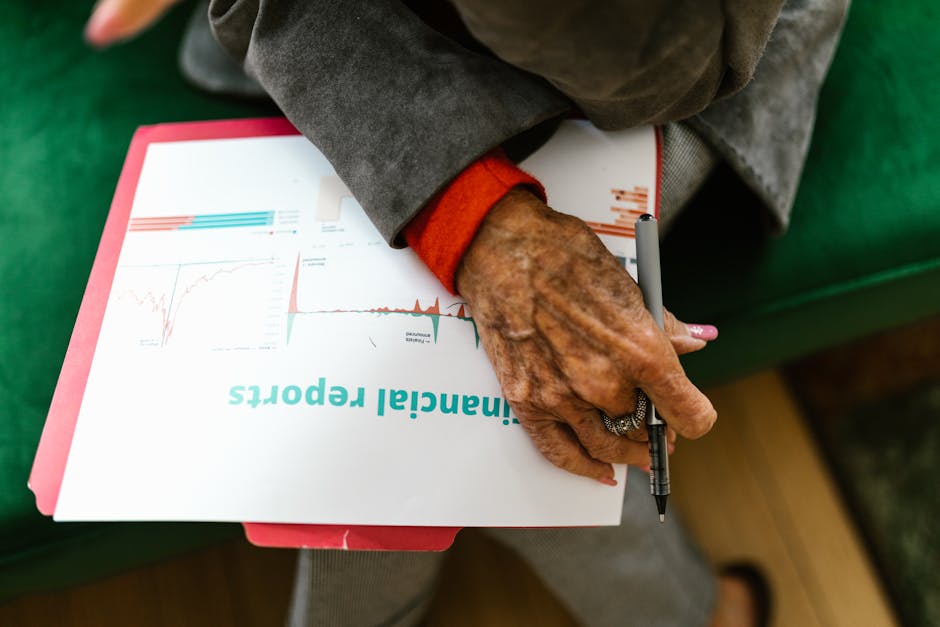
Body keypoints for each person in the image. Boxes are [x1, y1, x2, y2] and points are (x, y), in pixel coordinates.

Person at [84, 1, 850, 625]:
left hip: (693, 56)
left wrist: (467, 212)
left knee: (488, 394)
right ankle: (682, 615)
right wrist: (469, 214)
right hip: (369, 33)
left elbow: (655, 78)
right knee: (493, 396)